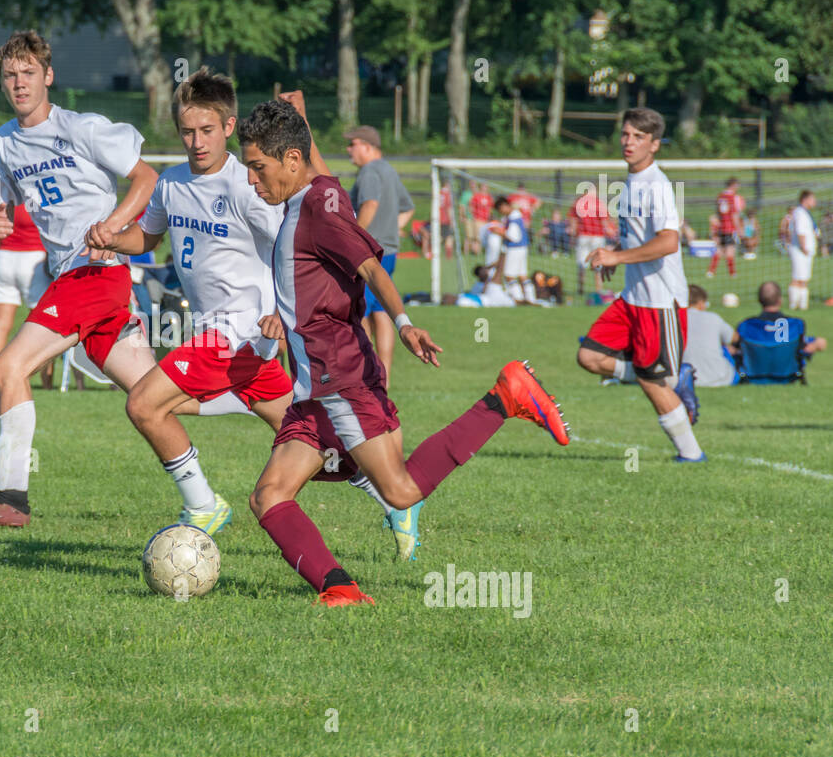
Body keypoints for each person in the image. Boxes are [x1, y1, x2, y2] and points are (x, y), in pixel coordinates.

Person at [237, 99, 569, 606]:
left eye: (258, 169)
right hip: (316, 389)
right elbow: (313, 168)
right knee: (269, 495)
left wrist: (406, 323)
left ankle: (503, 398)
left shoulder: (318, 212)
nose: (253, 182)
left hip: (339, 379)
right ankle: (339, 588)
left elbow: (370, 266)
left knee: (401, 492)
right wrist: (301, 121)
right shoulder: (318, 191)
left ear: (290, 162)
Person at [87, 73, 414, 552]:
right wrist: (117, 239)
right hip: (231, 342)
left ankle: (203, 504)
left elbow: (293, 244)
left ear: (229, 126)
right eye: (187, 131)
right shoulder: (172, 183)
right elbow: (149, 239)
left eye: (207, 131)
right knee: (317, 443)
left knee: (143, 403)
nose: (196, 142)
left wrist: (280, 312)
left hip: (237, 331)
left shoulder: (251, 184)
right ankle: (395, 503)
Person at [0, 29, 163, 528]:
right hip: (69, 274)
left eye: (27, 73)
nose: (18, 83)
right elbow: (0, 212)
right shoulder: (0, 143)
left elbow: (146, 178)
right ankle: (271, 425)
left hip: (97, 273)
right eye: (9, 75)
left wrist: (113, 227)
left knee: (9, 366)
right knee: (157, 396)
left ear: (48, 76)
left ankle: (11, 499)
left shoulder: (82, 129)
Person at [577, 107, 705, 458]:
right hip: (632, 298)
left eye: (639, 137)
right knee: (589, 356)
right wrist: (615, 252)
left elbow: (668, 241)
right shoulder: (631, 181)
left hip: (659, 302)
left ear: (655, 145)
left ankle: (692, 454)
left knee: (650, 381)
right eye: (625, 134)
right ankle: (674, 379)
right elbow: (639, 238)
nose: (628, 142)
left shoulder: (659, 186)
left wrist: (616, 257)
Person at [339, 123, 414, 386]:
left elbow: (370, 204)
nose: (348, 149)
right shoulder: (390, 171)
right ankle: (384, 378)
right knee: (381, 311)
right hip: (389, 251)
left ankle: (367, 377)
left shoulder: (369, 171)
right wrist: (392, 231)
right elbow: (408, 208)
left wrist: (354, 239)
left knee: (361, 313)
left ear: (368, 147)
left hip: (370, 254)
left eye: (353, 144)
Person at [0, 201, 52, 391]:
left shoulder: (4, 195)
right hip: (33, 257)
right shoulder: (35, 192)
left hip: (4, 256)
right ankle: (47, 385)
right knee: (44, 326)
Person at [733, 280, 826, 366]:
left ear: (759, 301)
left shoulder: (747, 325)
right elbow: (804, 349)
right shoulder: (795, 324)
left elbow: (735, 349)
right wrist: (815, 344)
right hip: (787, 375)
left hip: (755, 374)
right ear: (780, 300)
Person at [682, 284, 739, 388]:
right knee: (725, 349)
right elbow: (734, 338)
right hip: (721, 378)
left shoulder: (675, 320)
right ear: (700, 303)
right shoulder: (713, 318)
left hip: (683, 378)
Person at [569, 186, 611, 296]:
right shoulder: (599, 203)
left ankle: (581, 289)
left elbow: (573, 221)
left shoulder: (578, 202)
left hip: (583, 236)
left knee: (582, 264)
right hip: (597, 237)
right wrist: (611, 232)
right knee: (598, 263)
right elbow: (604, 221)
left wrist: (573, 236)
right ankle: (599, 289)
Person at [707, 177, 744, 279]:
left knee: (719, 250)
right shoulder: (733, 197)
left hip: (721, 227)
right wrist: (739, 229)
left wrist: (715, 227)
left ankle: (711, 271)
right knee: (730, 251)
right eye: (737, 185)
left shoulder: (720, 196)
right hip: (730, 228)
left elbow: (717, 213)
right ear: (733, 185)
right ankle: (732, 273)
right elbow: (734, 215)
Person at [499, 194, 530, 301]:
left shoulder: (513, 217)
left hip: (515, 248)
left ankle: (518, 298)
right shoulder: (516, 216)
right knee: (522, 275)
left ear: (504, 206)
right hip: (523, 248)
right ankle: (531, 297)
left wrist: (500, 232)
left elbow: (514, 236)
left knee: (509, 275)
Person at [789, 190, 816, 310]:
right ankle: (794, 304)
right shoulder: (799, 212)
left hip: (806, 250)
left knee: (804, 278)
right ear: (805, 200)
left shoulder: (805, 213)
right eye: (812, 199)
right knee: (797, 277)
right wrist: (803, 246)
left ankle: (803, 304)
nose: (814, 201)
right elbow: (800, 231)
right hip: (800, 249)